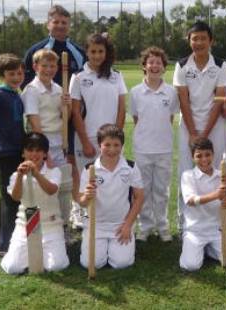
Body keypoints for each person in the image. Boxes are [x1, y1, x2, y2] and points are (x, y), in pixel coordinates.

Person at [22, 4, 86, 230]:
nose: (60, 26)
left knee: (71, 169)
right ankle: (42, 222)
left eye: (64, 22)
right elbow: (28, 89)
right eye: (56, 22)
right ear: (48, 23)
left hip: (68, 120)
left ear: (69, 25)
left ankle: (73, 214)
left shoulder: (77, 50)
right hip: (44, 130)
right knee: (45, 175)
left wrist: (68, 108)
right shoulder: (36, 51)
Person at [173, 21, 226, 229]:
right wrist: (193, 133)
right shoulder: (181, 65)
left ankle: (216, 221)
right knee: (186, 171)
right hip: (188, 127)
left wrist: (204, 134)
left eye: (203, 38)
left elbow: (219, 101)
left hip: (214, 126)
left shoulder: (221, 65)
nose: (198, 42)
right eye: (194, 38)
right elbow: (183, 101)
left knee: (214, 170)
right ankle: (184, 223)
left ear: (211, 41)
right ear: (189, 41)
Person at [70, 33, 127, 227]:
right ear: (86, 52)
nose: (96, 55)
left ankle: (107, 216)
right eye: (93, 51)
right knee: (85, 176)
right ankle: (80, 213)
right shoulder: (78, 77)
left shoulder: (116, 75)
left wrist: (117, 135)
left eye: (100, 51)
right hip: (87, 137)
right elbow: (75, 112)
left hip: (110, 139)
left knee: (110, 177)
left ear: (106, 52)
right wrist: (85, 141)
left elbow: (122, 107)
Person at [1, 132, 69, 274]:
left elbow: (51, 190)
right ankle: (24, 253)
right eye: (30, 150)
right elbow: (15, 197)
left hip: (51, 225)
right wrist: (20, 176)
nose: (34, 154)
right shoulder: (15, 175)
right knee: (12, 268)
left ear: (45, 154)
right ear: (23, 153)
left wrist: (36, 173)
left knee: (56, 266)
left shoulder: (54, 172)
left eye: (38, 150)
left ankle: (46, 251)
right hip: (25, 225)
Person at [129, 47, 179, 242]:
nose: (154, 66)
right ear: (144, 66)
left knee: (161, 190)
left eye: (158, 62)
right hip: (142, 148)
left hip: (164, 148)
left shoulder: (171, 92)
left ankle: (162, 225)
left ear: (164, 67)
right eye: (151, 62)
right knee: (143, 189)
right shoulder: (135, 92)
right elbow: (135, 117)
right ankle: (146, 226)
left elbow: (171, 116)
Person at [79, 124, 144, 269]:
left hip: (120, 225)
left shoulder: (131, 167)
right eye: (107, 145)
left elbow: (139, 198)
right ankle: (99, 248)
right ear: (99, 145)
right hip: (95, 225)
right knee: (91, 264)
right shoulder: (89, 169)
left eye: (116, 145)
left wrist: (128, 225)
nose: (112, 149)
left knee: (122, 263)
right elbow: (82, 202)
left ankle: (115, 248)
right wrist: (87, 196)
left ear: (122, 146)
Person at [0, 53, 25, 256]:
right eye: (11, 74)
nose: (17, 77)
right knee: (11, 198)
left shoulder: (15, 93)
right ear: (2, 75)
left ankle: (1, 240)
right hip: (4, 153)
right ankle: (5, 246)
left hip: (17, 151)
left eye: (19, 73)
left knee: (7, 197)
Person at [180, 138, 226, 271]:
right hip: (195, 230)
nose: (204, 159)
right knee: (191, 266)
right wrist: (216, 195)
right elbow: (190, 201)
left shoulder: (222, 175)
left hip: (215, 229)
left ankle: (208, 250)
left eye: (207, 155)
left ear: (213, 154)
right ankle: (192, 246)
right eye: (199, 156)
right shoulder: (188, 175)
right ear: (192, 157)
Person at [21, 49, 72, 167]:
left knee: (60, 181)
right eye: (44, 66)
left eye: (52, 66)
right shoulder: (32, 90)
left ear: (57, 67)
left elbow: (65, 118)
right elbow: (35, 125)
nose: (49, 69)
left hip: (59, 142)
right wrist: (45, 153)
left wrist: (68, 105)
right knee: (41, 182)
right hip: (39, 145)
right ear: (35, 67)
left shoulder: (58, 89)